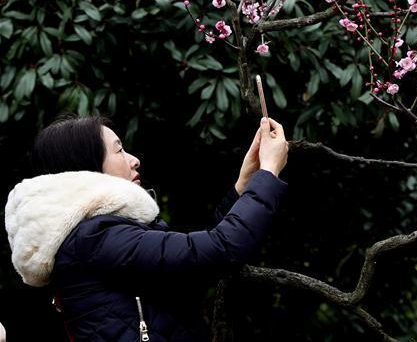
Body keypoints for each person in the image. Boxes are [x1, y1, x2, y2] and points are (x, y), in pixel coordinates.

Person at [4, 113, 290, 341]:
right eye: (119, 151)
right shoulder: (96, 237)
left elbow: (191, 265)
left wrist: (245, 185)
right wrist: (268, 173)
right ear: (87, 169)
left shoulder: (94, 235)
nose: (133, 159)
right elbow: (221, 248)